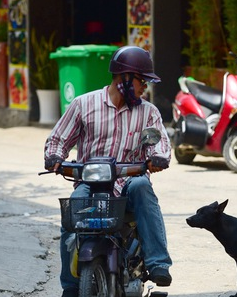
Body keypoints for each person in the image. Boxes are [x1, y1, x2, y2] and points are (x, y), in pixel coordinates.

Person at [44, 46, 173, 297]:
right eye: (141, 81)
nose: (144, 87)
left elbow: (160, 143)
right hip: (90, 183)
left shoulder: (148, 112)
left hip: (129, 181)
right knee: (72, 212)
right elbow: (58, 138)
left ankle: (158, 263)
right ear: (124, 78)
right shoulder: (84, 104)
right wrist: (54, 157)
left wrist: (157, 157)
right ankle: (70, 285)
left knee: (142, 186)